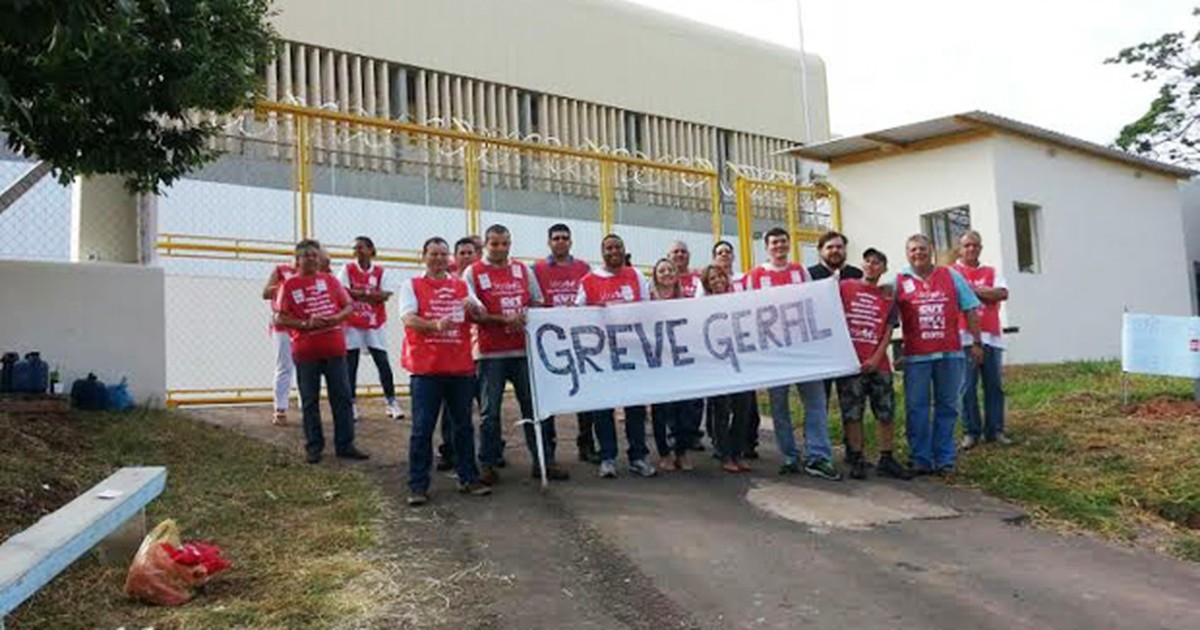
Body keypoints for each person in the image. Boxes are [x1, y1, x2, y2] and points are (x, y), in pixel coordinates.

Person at [463, 224, 568, 485]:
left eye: (505, 243)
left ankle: (544, 460)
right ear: (485, 245)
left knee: (535, 408)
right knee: (490, 412)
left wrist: (525, 316)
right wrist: (503, 319)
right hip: (490, 354)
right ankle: (488, 462)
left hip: (523, 351)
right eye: (495, 244)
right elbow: (475, 312)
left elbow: (537, 301)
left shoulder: (522, 269)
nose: (500, 248)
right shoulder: (473, 272)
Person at [400, 236, 491, 505]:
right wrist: (435, 326)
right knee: (422, 429)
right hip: (426, 369)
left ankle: (468, 478)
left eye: (443, 254)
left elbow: (481, 313)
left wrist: (473, 307)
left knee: (463, 426)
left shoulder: (461, 285)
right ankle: (418, 485)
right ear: (423, 256)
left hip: (459, 368)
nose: (439, 259)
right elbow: (408, 318)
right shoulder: (412, 285)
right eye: (434, 254)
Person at [746, 227, 841, 480]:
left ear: (789, 245)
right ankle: (789, 454)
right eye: (774, 242)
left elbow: (813, 303)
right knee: (779, 406)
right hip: (775, 352)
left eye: (783, 242)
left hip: (804, 350)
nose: (779, 246)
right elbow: (747, 311)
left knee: (816, 402)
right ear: (766, 247)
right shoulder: (755, 276)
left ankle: (818, 456)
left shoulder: (800, 272)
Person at [273, 239, 370, 464]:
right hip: (306, 352)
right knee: (310, 400)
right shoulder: (288, 286)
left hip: (335, 350)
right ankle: (314, 446)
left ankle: (345, 445)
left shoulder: (331, 281)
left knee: (342, 398)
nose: (311, 259)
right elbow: (280, 316)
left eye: (314, 255)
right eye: (305, 255)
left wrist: (335, 318)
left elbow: (348, 306)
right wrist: (306, 324)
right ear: (297, 260)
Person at [894, 234, 983, 476]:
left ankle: (945, 459)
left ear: (931, 250)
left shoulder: (951, 276)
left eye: (922, 249)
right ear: (907, 253)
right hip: (916, 357)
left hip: (950, 354)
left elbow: (970, 308)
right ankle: (921, 458)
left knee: (947, 406)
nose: (918, 253)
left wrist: (977, 342)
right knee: (916, 408)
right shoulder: (899, 280)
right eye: (912, 250)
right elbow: (884, 315)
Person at [576, 234, 657, 479]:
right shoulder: (589, 281)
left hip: (632, 352)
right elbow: (578, 314)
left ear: (624, 250)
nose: (614, 251)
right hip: (602, 355)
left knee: (635, 408)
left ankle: (638, 457)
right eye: (609, 247)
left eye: (618, 247)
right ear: (602, 252)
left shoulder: (636, 277)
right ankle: (608, 457)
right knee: (603, 408)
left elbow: (646, 309)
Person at [835, 249, 913, 481]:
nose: (871, 265)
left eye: (877, 262)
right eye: (867, 261)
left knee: (885, 412)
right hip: (850, 364)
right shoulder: (845, 286)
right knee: (853, 414)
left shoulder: (888, 296)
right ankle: (857, 457)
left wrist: (876, 358)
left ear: (883, 268)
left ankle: (886, 458)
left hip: (879, 365)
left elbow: (888, 331)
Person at [532, 223, 598, 464]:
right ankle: (548, 450)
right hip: (548, 343)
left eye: (565, 238)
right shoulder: (537, 269)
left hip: (579, 340)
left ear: (571, 242)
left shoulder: (583, 268)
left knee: (585, 394)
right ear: (549, 242)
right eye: (556, 238)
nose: (560, 241)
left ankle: (586, 444)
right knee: (548, 396)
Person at [953, 230, 1011, 449]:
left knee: (994, 386)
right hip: (964, 337)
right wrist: (985, 292)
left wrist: (972, 290)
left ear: (980, 248)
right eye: (967, 245)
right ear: (960, 248)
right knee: (966, 387)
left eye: (975, 245)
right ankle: (971, 431)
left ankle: (995, 430)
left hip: (991, 337)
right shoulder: (952, 272)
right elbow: (955, 296)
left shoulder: (991, 270)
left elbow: (1002, 294)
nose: (971, 249)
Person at [339, 236, 404, 421]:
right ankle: (351, 403)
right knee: (351, 364)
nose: (357, 251)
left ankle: (391, 402)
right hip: (352, 322)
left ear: (371, 250)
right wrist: (370, 295)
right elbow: (344, 292)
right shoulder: (347, 269)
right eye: (354, 248)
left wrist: (359, 294)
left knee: (382, 362)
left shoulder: (381, 272)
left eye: (360, 248)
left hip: (375, 322)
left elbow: (384, 296)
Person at [434, 236, 483, 472]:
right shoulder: (448, 280)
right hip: (455, 350)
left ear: (477, 255)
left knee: (483, 403)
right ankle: (448, 450)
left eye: (470, 253)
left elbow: (484, 310)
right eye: (461, 253)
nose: (465, 257)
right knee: (450, 407)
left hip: (481, 348)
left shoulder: (480, 277)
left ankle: (488, 451)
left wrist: (474, 308)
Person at [701, 264, 755, 473]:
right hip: (717, 366)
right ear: (707, 284)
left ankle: (737, 452)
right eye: (712, 279)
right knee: (721, 410)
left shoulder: (739, 300)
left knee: (743, 409)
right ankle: (724, 454)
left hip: (740, 364)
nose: (717, 281)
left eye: (720, 277)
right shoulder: (701, 305)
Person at [711, 240, 760, 459]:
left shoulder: (744, 279)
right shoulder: (708, 282)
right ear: (714, 257)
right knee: (720, 406)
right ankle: (722, 448)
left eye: (728, 252)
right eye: (720, 252)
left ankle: (744, 445)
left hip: (743, 351)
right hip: (718, 354)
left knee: (746, 404)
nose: (724, 255)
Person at [649, 258, 696, 472]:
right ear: (655, 276)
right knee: (661, 411)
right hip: (658, 364)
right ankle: (665, 453)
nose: (666, 273)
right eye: (661, 271)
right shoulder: (647, 302)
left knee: (684, 411)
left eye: (670, 270)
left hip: (682, 364)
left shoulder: (688, 301)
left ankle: (682, 451)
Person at [666, 240, 707, 454]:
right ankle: (673, 434)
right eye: (675, 252)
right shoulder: (663, 276)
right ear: (668, 255)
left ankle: (692, 434)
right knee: (674, 391)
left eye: (683, 251)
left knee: (696, 393)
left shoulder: (698, 278)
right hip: (671, 344)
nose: (680, 255)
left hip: (695, 341)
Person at [262, 254, 298, 426]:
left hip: (305, 324)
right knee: (284, 366)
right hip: (284, 324)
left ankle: (306, 406)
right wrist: (285, 286)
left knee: (307, 367)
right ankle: (280, 408)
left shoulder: (315, 272)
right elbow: (265, 293)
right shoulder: (281, 270)